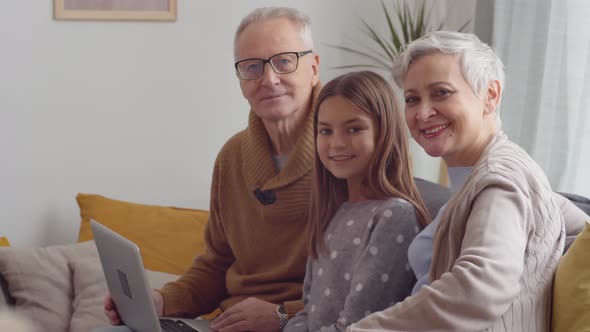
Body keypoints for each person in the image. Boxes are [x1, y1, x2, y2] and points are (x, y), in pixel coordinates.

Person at [348, 31, 588, 332]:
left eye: (441, 93)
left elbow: (479, 292)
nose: (422, 112)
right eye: (412, 99)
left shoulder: (499, 181)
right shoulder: (493, 178)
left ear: (490, 95)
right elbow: (576, 225)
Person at [103, 7, 321, 332]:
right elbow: (217, 264)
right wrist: (161, 301)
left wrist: (283, 315)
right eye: (252, 67)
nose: (269, 79)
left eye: (284, 61)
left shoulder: (346, 150)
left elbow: (367, 289)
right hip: (227, 323)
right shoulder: (232, 156)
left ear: (313, 67)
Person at [283, 71, 430, 332]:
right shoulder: (335, 211)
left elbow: (357, 326)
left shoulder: (394, 216)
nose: (337, 143)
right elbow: (307, 313)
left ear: (384, 132)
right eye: (325, 131)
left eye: (354, 128)